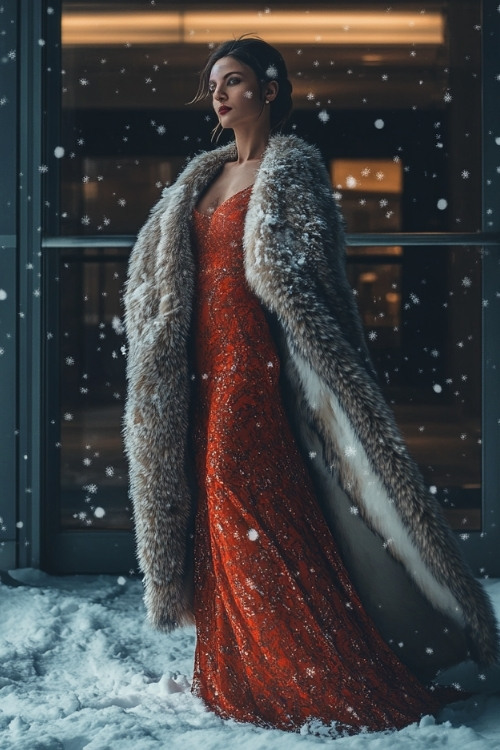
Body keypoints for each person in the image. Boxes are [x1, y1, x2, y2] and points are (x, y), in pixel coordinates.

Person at [124, 37, 499, 734]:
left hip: (251, 363)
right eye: (213, 85)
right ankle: (241, 665)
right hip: (196, 366)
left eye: (233, 82)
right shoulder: (200, 180)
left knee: (245, 495)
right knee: (215, 509)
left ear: (270, 89)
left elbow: (315, 287)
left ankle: (310, 669)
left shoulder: (289, 172)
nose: (219, 95)